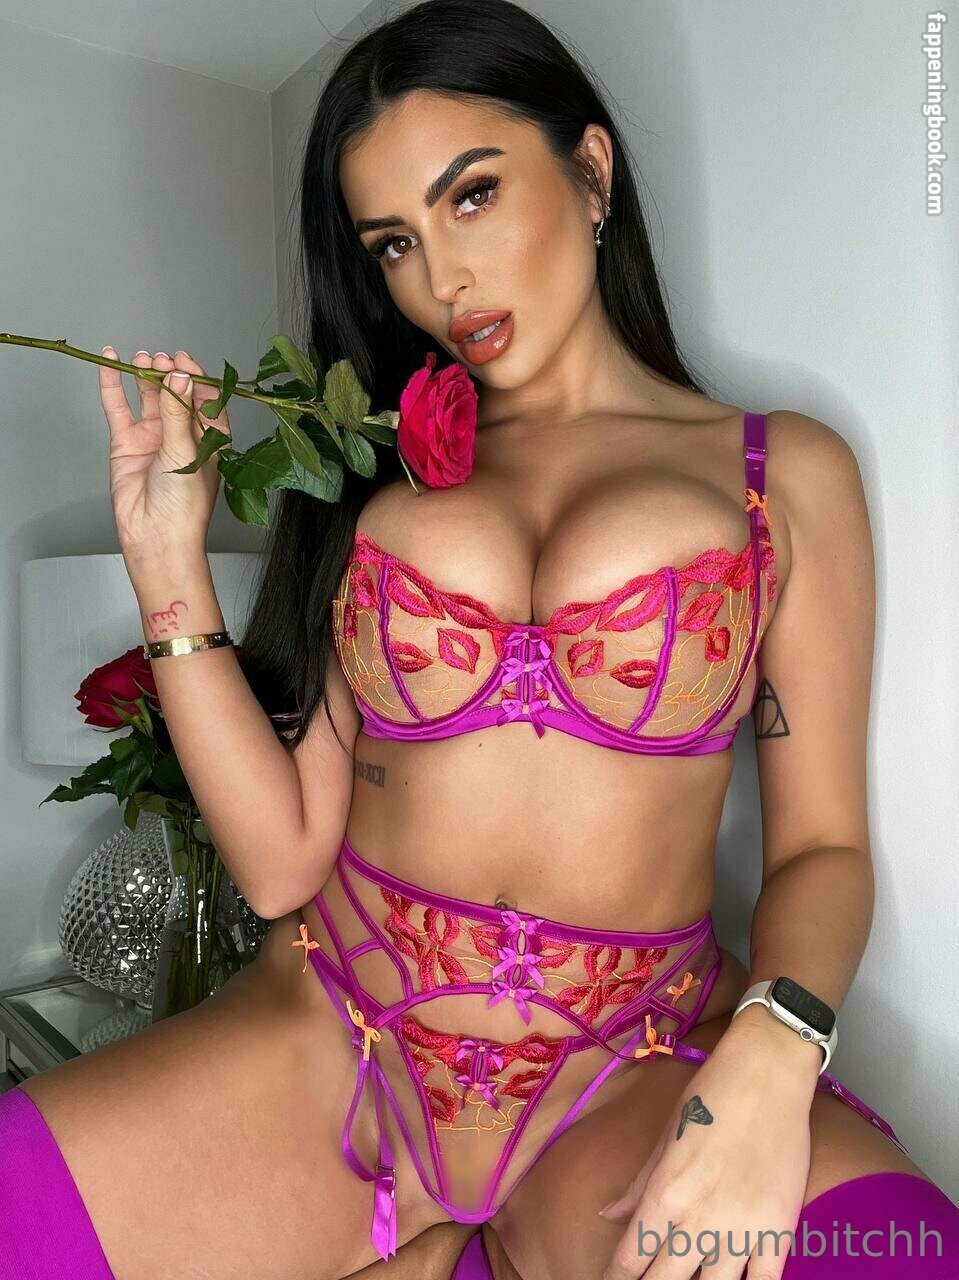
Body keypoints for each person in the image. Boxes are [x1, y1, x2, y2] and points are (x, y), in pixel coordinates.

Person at [1, 2, 956, 1278]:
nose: (438, 281)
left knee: (895, 1255)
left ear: (591, 171)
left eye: (472, 196)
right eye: (393, 242)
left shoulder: (779, 472)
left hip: (623, 1070)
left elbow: (823, 846)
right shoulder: (378, 476)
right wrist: (164, 557)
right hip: (335, 1035)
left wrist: (774, 1052)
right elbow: (281, 864)